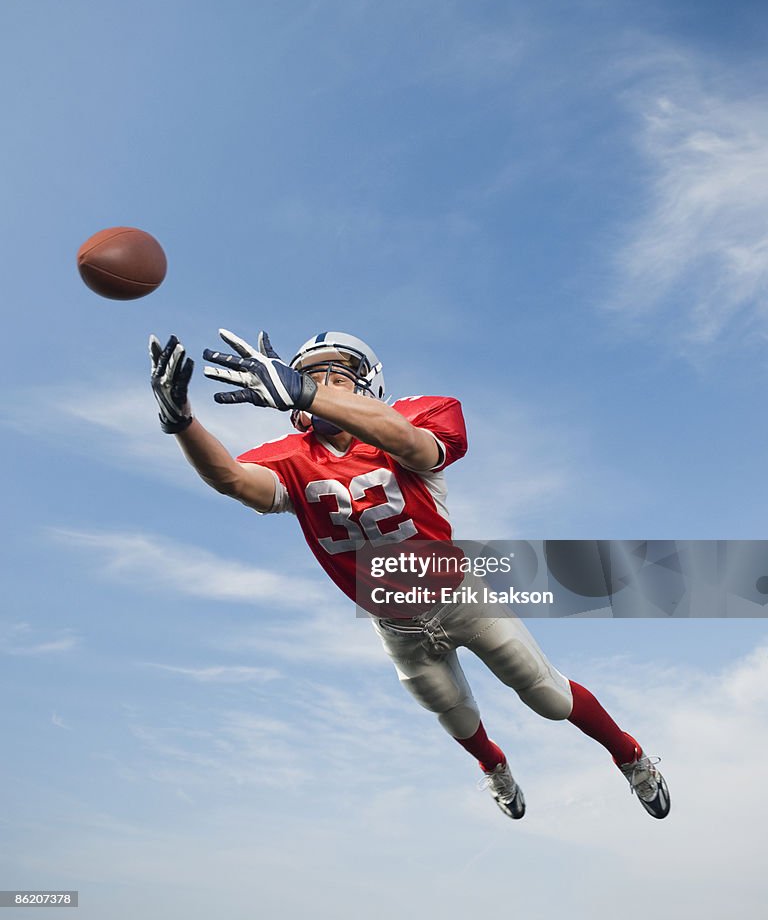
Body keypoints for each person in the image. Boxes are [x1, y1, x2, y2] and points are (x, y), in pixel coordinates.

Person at [149, 328, 670, 821]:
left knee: (547, 696)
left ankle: (630, 756)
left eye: (337, 375)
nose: (323, 384)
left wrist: (306, 391)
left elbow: (412, 443)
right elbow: (232, 480)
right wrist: (183, 425)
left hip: (460, 598)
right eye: (311, 375)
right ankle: (494, 765)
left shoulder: (413, 419)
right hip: (391, 623)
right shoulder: (289, 458)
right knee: (454, 716)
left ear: (369, 381)